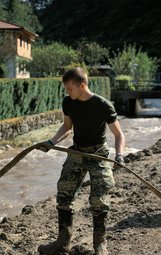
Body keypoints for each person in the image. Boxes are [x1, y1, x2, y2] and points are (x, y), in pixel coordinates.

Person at [37, 67, 125, 255]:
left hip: (97, 154)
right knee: (64, 194)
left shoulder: (103, 105)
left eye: (69, 89)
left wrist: (119, 156)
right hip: (77, 152)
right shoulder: (69, 102)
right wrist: (51, 142)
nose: (67, 92)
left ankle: (100, 245)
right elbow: (67, 127)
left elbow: (119, 135)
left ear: (82, 85)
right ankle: (62, 242)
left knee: (99, 200)